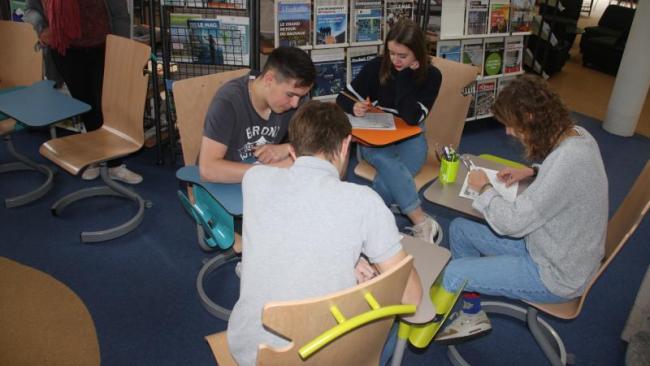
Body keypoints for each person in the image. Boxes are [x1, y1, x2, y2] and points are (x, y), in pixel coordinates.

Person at [227, 101, 422, 365]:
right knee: (393, 324)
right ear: (345, 146)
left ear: (292, 150)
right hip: (327, 357)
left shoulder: (255, 180)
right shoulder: (363, 201)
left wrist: (349, 256)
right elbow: (411, 297)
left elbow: (301, 216)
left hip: (252, 353)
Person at [435, 74, 608, 342]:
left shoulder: (567, 161)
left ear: (529, 117)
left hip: (555, 274)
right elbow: (563, 178)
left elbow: (512, 224)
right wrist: (532, 171)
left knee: (454, 273)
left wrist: (484, 188)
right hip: (553, 247)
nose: (507, 131)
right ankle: (472, 313)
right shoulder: (578, 136)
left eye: (511, 124)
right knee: (459, 229)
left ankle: (427, 326)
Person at [336, 18, 443, 244]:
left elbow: (411, 117)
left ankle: (374, 220)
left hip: (410, 134)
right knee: (391, 165)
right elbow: (342, 98)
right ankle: (421, 221)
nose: (394, 60)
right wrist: (353, 106)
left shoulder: (432, 76)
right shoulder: (377, 65)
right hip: (376, 136)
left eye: (402, 56)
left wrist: (404, 77)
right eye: (391, 53)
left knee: (391, 176)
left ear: (419, 54)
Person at [24, 0, 143, 184]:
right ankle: (95, 159)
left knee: (108, 107)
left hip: (103, 48)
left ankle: (114, 165)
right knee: (87, 107)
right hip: (66, 51)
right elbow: (31, 10)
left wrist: (122, 50)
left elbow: (120, 15)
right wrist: (42, 27)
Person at [199, 46, 316, 183]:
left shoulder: (294, 99)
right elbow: (208, 170)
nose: (295, 104)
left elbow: (323, 138)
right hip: (223, 184)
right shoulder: (228, 101)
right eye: (290, 95)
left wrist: (287, 148)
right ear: (268, 80)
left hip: (260, 180)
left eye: (301, 96)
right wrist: (273, 169)